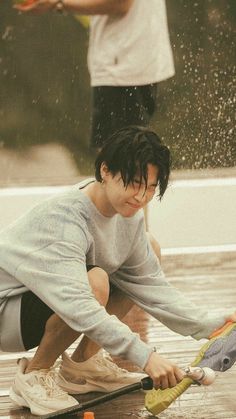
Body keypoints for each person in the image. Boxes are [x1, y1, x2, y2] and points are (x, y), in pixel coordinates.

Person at [0, 126, 235, 416]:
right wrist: (145, 357)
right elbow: (80, 306)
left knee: (149, 249)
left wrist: (210, 324)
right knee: (94, 283)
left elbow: (150, 286)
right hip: (6, 313)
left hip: (46, 302)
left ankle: (82, 368)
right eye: (134, 182)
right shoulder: (65, 220)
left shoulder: (129, 218)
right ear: (105, 170)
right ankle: (33, 375)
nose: (141, 196)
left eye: (150, 187)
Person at [14, 0, 175, 148]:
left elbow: (120, 4)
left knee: (120, 162)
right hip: (127, 60)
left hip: (124, 64)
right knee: (118, 158)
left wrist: (58, 3)